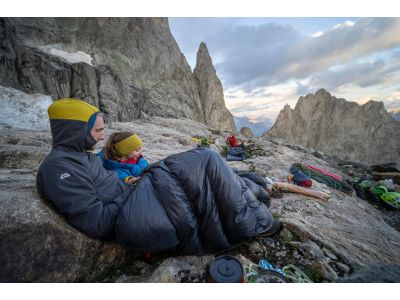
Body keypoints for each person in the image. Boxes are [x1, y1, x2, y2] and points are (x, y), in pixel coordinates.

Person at [37, 98, 281, 254]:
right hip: (130, 213)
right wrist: (131, 188)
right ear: (76, 130)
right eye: (98, 130)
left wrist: (127, 182)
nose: (102, 136)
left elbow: (107, 184)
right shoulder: (58, 169)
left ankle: (255, 193)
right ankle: (254, 220)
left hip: (132, 195)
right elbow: (97, 222)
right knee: (205, 160)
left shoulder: (81, 156)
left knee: (202, 174)